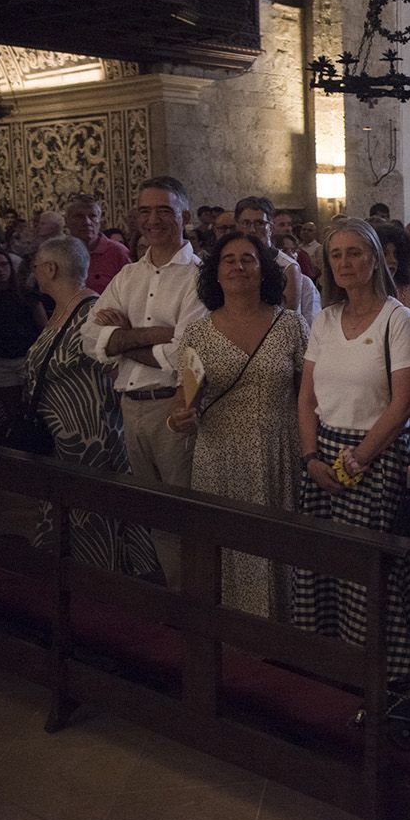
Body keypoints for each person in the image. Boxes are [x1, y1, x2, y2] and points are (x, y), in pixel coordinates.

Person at [294, 218, 410, 683]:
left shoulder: (398, 319)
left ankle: (380, 672)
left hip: (376, 454)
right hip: (323, 451)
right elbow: (307, 398)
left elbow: (403, 403)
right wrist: (311, 457)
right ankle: (330, 663)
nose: (346, 262)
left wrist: (358, 458)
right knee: (322, 565)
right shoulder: (325, 318)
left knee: (366, 573)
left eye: (355, 253)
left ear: (374, 258)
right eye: (336, 255)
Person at [168, 233, 309, 619]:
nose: (238, 266)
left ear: (263, 268)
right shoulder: (198, 333)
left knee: (280, 545)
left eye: (247, 259)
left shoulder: (291, 326)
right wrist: (179, 417)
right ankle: (233, 636)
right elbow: (185, 398)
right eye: (228, 260)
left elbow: (307, 398)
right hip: (220, 456)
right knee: (228, 546)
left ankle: (285, 634)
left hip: (278, 451)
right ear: (215, 272)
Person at [80, 177, 207, 583]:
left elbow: (185, 354)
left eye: (164, 210)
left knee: (186, 515)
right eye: (145, 211)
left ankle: (201, 607)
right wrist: (154, 333)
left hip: (175, 407)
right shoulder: (128, 276)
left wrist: (119, 341)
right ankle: (178, 598)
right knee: (155, 515)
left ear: (184, 216)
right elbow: (87, 339)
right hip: (129, 409)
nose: (153, 220)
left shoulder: (199, 278)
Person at [26, 237, 163, 578]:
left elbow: (115, 366)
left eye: (36, 267)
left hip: (94, 437)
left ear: (51, 269)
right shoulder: (61, 309)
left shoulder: (93, 311)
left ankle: (107, 585)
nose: (34, 274)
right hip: (64, 441)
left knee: (99, 515)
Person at [0, 246, 46, 430]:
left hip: (26, 357)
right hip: (1, 361)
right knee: (12, 410)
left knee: (36, 405)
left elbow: (44, 325)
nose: (0, 270)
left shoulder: (26, 294)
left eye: (4, 265)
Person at [236, 196, 319, 325]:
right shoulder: (233, 263)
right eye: (246, 223)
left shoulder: (287, 267)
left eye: (259, 223)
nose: (252, 230)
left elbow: (287, 318)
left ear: (271, 227)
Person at [64, 194, 132, 293]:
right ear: (67, 221)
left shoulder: (118, 253)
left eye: (92, 216)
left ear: (100, 220)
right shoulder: (59, 252)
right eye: (79, 216)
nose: (87, 222)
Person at [375, 220, 410, 314]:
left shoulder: (407, 294)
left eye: (396, 254)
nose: (393, 260)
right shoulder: (361, 292)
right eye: (385, 254)